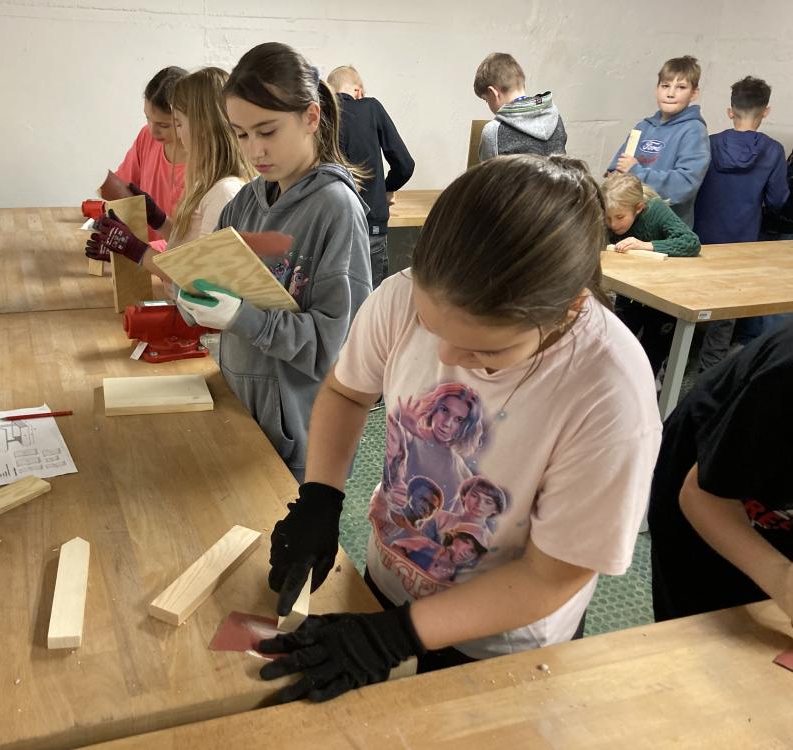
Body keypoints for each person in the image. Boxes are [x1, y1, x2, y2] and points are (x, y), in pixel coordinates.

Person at [257, 155, 662, 702]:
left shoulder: (609, 391)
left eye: (485, 350)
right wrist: (321, 498)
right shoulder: (401, 296)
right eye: (431, 327)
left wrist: (394, 637)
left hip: (502, 642)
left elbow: (551, 575)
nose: (446, 357)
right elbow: (348, 393)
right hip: (389, 582)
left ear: (567, 309)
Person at [172, 42, 372, 482]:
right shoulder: (245, 201)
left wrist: (243, 317)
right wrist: (190, 295)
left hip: (300, 435)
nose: (254, 151)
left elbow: (333, 347)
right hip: (243, 409)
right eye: (242, 135)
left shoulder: (336, 209)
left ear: (311, 118)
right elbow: (207, 274)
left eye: (267, 132)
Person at [649, 321, 793, 625]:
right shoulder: (784, 377)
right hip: (707, 493)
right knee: (708, 633)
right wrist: (782, 582)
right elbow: (701, 496)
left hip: (771, 497)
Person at [85, 68, 254, 278]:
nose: (178, 134)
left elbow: (198, 277)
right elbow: (187, 246)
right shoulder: (207, 182)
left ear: (203, 128)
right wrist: (158, 219)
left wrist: (136, 250)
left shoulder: (224, 193)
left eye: (178, 124)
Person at [693, 76, 790, 371]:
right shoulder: (773, 151)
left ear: (730, 111)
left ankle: (670, 360)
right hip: (742, 239)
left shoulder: (709, 144)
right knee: (726, 310)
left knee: (689, 297)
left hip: (702, 234)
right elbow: (777, 201)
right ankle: (710, 369)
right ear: (766, 111)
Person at [602, 172, 701, 376]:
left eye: (620, 218)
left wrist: (647, 245)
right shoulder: (610, 215)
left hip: (663, 295)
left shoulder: (656, 210)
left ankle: (652, 383)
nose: (613, 225)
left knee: (653, 350)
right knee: (617, 346)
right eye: (608, 218)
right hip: (630, 291)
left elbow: (691, 242)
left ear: (638, 208)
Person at [327, 65, 415, 287]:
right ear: (358, 92)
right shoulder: (371, 107)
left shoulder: (320, 116)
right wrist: (385, 189)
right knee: (371, 299)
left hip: (331, 229)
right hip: (370, 225)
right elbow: (405, 164)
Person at [607, 55, 710, 228]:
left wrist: (636, 172)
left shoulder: (694, 131)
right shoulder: (643, 127)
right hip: (631, 228)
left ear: (694, 93)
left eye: (681, 87)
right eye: (665, 86)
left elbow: (684, 185)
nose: (670, 93)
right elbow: (615, 171)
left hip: (666, 231)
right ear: (657, 89)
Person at [98, 66, 188, 250]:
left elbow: (192, 243)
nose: (153, 130)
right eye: (148, 118)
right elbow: (123, 191)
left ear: (185, 120)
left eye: (164, 125)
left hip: (171, 259)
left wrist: (133, 249)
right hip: (141, 254)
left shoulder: (203, 164)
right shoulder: (146, 136)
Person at [473, 52, 566, 161]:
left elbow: (487, 172)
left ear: (493, 92)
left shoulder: (493, 131)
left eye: (486, 100)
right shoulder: (553, 115)